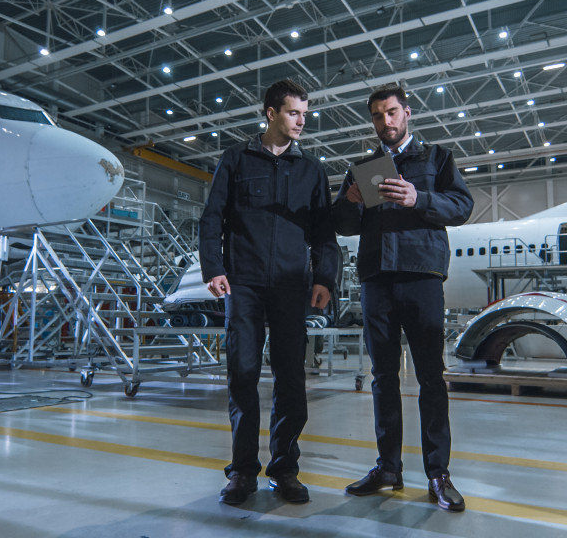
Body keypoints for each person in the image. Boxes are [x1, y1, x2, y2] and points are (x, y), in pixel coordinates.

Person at [332, 84, 474, 512]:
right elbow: (341, 223)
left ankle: (438, 474)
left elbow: (463, 205)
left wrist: (420, 197)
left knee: (432, 376)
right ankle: (388, 468)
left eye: (391, 112)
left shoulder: (437, 159)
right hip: (377, 280)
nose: (385, 122)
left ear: (407, 113)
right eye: (377, 116)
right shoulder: (362, 167)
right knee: (383, 378)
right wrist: (352, 202)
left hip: (421, 277)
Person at [199, 79, 339, 505]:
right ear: (271, 113)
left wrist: (324, 279)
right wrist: (214, 268)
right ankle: (242, 472)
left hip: (290, 287)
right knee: (242, 375)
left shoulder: (312, 170)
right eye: (294, 113)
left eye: (304, 114)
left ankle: (284, 469)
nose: (301, 121)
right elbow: (212, 219)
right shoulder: (237, 159)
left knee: (291, 378)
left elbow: (324, 234)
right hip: (243, 285)